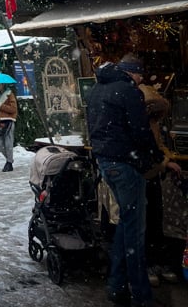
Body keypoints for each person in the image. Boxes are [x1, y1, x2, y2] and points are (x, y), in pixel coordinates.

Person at [86, 54, 164, 307]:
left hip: (107, 162)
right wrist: (156, 155)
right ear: (132, 72)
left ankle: (116, 285)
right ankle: (141, 295)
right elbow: (141, 130)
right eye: (140, 74)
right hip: (126, 164)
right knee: (135, 232)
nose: (141, 79)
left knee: (126, 225)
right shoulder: (129, 91)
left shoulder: (99, 88)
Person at [140, 78, 181, 288]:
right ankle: (150, 263)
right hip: (146, 175)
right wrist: (166, 161)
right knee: (149, 221)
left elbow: (159, 146)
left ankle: (157, 261)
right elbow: (150, 151)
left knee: (156, 219)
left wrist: (166, 156)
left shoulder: (153, 123)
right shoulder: (142, 125)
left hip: (153, 175)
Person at [0, 81, 17, 172]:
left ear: (3, 85)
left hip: (8, 121)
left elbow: (13, 109)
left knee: (8, 143)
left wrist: (0, 106)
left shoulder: (9, 94)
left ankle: (9, 163)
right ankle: (9, 159)